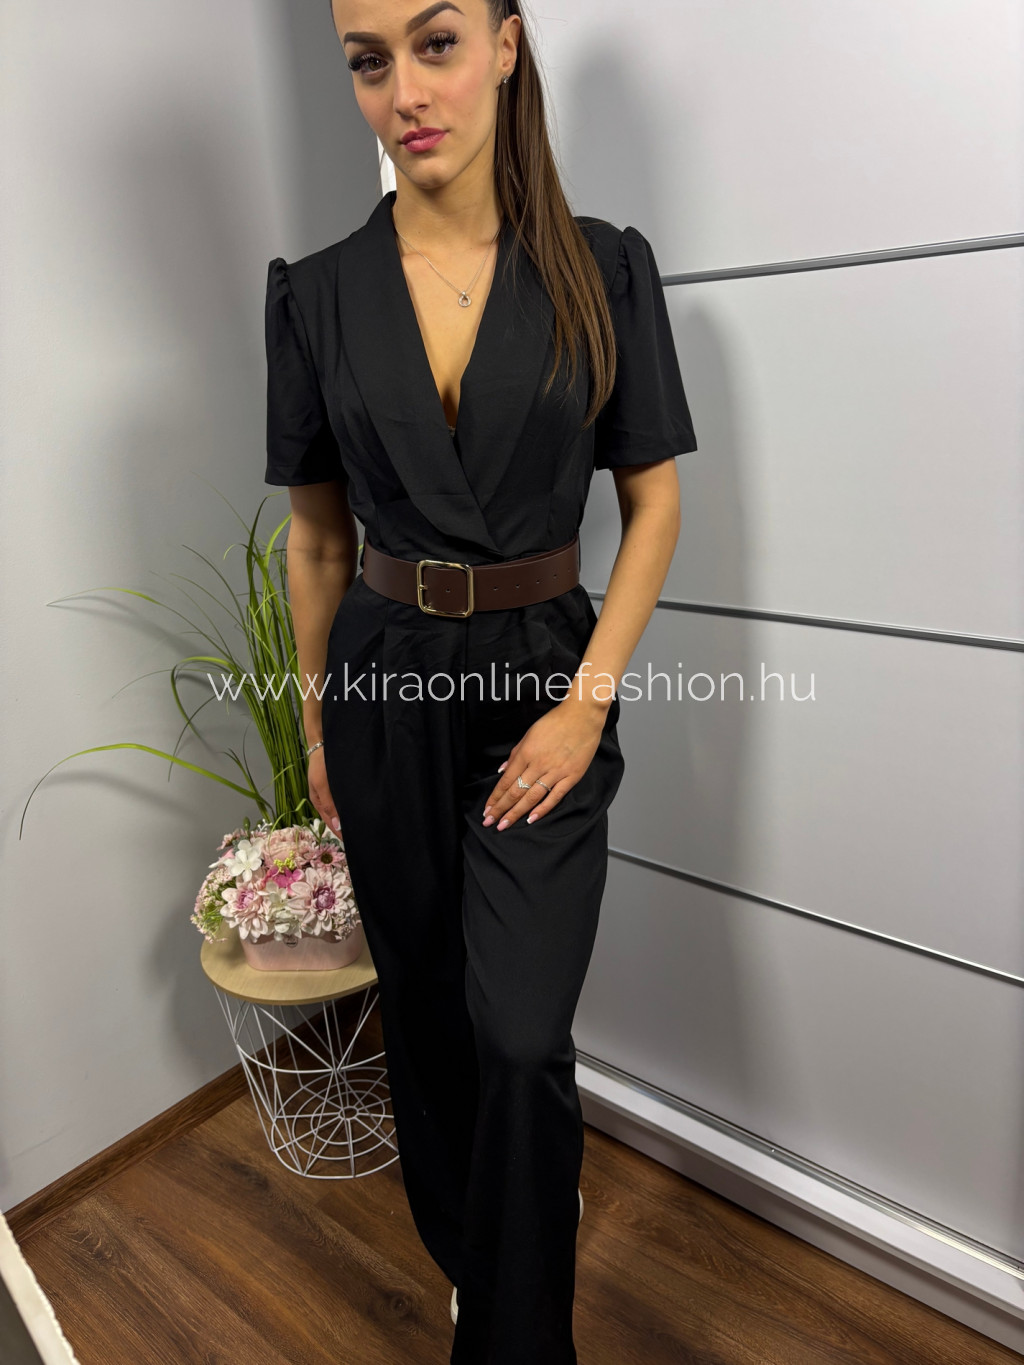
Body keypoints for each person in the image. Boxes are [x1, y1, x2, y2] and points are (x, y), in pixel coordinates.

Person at [263, 1, 697, 1360]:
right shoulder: (317, 293)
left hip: (541, 685)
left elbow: (655, 506)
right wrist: (320, 727)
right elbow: (319, 541)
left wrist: (586, 705)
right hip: (381, 689)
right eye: (369, 61)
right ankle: (476, 1246)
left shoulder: (602, 268)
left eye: (436, 42)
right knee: (431, 1012)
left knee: (518, 1031)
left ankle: (512, 1332)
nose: (405, 91)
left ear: (509, 46)